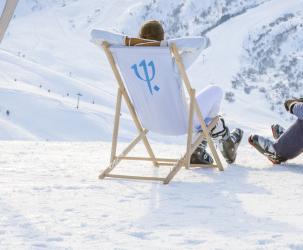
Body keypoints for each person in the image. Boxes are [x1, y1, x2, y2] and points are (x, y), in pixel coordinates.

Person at [91, 20, 243, 165]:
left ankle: (207, 142)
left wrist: (130, 43)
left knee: (192, 103)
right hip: (181, 124)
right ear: (162, 38)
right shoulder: (172, 64)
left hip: (148, 122)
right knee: (215, 90)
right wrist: (164, 46)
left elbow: (94, 34)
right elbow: (200, 42)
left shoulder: (123, 58)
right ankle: (206, 142)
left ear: (139, 38)